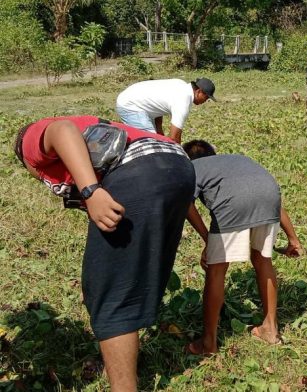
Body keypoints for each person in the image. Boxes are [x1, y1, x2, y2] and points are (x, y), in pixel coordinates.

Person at [13, 116, 195, 392]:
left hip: (138, 169)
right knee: (124, 280)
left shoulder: (29, 142)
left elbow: (62, 130)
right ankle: (123, 354)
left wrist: (90, 190)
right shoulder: (100, 129)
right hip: (177, 166)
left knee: (110, 292)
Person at [181, 140, 303, 355]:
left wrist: (207, 238)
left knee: (216, 269)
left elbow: (186, 204)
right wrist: (293, 239)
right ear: (214, 153)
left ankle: (209, 343)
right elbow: (271, 199)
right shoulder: (237, 160)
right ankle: (270, 330)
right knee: (262, 260)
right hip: (269, 194)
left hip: (232, 205)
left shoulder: (191, 168)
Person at [116, 77, 216, 143]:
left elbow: (157, 106)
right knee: (151, 145)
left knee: (155, 139)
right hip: (131, 106)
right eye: (206, 97)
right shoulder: (183, 101)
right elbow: (174, 137)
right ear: (199, 92)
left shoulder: (180, 84)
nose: (205, 101)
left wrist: (160, 136)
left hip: (133, 99)